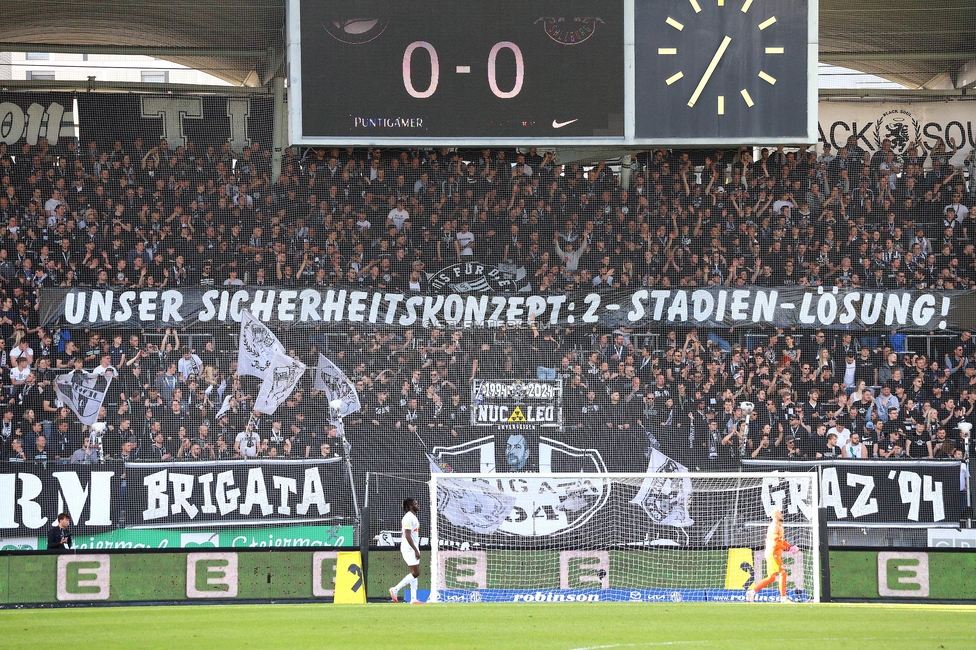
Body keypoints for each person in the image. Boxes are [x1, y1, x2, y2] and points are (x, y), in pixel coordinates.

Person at [746, 508, 797, 603]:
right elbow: (775, 543)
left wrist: (791, 547)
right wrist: (788, 549)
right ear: (774, 516)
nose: (782, 514)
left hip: (773, 554)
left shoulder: (779, 526)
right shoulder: (774, 527)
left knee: (771, 577)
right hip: (773, 553)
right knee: (782, 573)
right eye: (779, 513)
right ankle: (783, 598)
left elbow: (781, 541)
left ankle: (752, 592)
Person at [389, 497, 422, 604]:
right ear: (410, 506)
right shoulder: (408, 517)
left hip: (412, 547)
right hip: (409, 549)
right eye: (416, 504)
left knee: (414, 572)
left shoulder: (413, 517)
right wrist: (415, 550)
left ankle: (413, 599)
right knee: (416, 572)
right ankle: (395, 589)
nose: (418, 505)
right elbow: (407, 535)